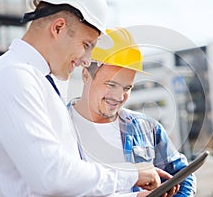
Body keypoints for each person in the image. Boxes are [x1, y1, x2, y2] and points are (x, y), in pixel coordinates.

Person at [0, 0, 171, 196]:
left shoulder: (39, 82)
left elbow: (65, 189)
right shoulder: (12, 76)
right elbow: (51, 176)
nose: (86, 60)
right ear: (59, 27)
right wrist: (131, 176)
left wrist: (135, 196)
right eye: (86, 44)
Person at [67, 27, 196, 196]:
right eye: (111, 84)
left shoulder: (147, 129)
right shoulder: (58, 126)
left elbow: (183, 176)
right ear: (85, 75)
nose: (118, 97)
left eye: (127, 88)